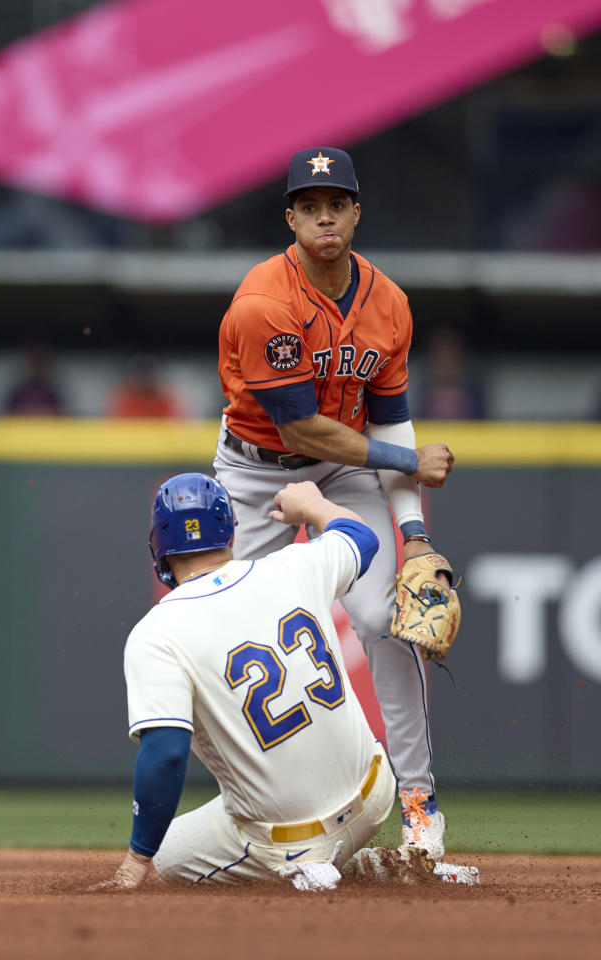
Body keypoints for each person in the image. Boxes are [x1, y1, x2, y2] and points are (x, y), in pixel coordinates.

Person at [214, 147, 455, 860]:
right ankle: (252, 806)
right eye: (310, 205)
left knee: (391, 619)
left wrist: (411, 533)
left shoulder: (389, 304)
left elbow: (388, 419)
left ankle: (418, 799)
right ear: (290, 217)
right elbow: (297, 427)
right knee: (224, 636)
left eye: (337, 203)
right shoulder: (264, 301)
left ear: (355, 212)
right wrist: (408, 464)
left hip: (344, 469)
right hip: (255, 473)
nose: (325, 216)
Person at [96, 474, 395, 891]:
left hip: (290, 840)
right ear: (230, 528)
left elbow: (165, 755)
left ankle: (308, 867)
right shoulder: (294, 565)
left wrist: (135, 860)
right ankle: (355, 862)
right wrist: (312, 505)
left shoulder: (156, 632)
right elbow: (362, 537)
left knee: (169, 855)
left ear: (158, 547)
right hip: (377, 795)